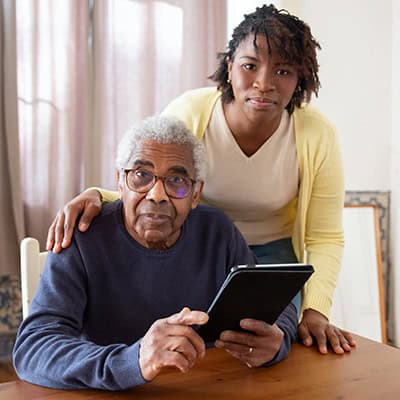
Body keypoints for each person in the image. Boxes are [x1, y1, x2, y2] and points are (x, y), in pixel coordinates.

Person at [45, 4, 355, 355]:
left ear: (300, 78)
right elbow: (152, 175)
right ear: (230, 66)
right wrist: (97, 194)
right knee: (197, 346)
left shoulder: (317, 134)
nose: (264, 83)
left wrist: (314, 312)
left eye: (283, 71)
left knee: (270, 350)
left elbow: (324, 235)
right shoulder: (192, 112)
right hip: (203, 248)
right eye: (250, 65)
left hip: (273, 257)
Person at [13, 116, 297, 391]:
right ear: (120, 183)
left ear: (196, 194)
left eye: (176, 180)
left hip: (207, 386)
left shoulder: (217, 231)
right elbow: (34, 349)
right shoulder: (83, 236)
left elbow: (277, 306)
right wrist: (133, 361)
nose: (157, 194)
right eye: (141, 176)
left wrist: (276, 342)